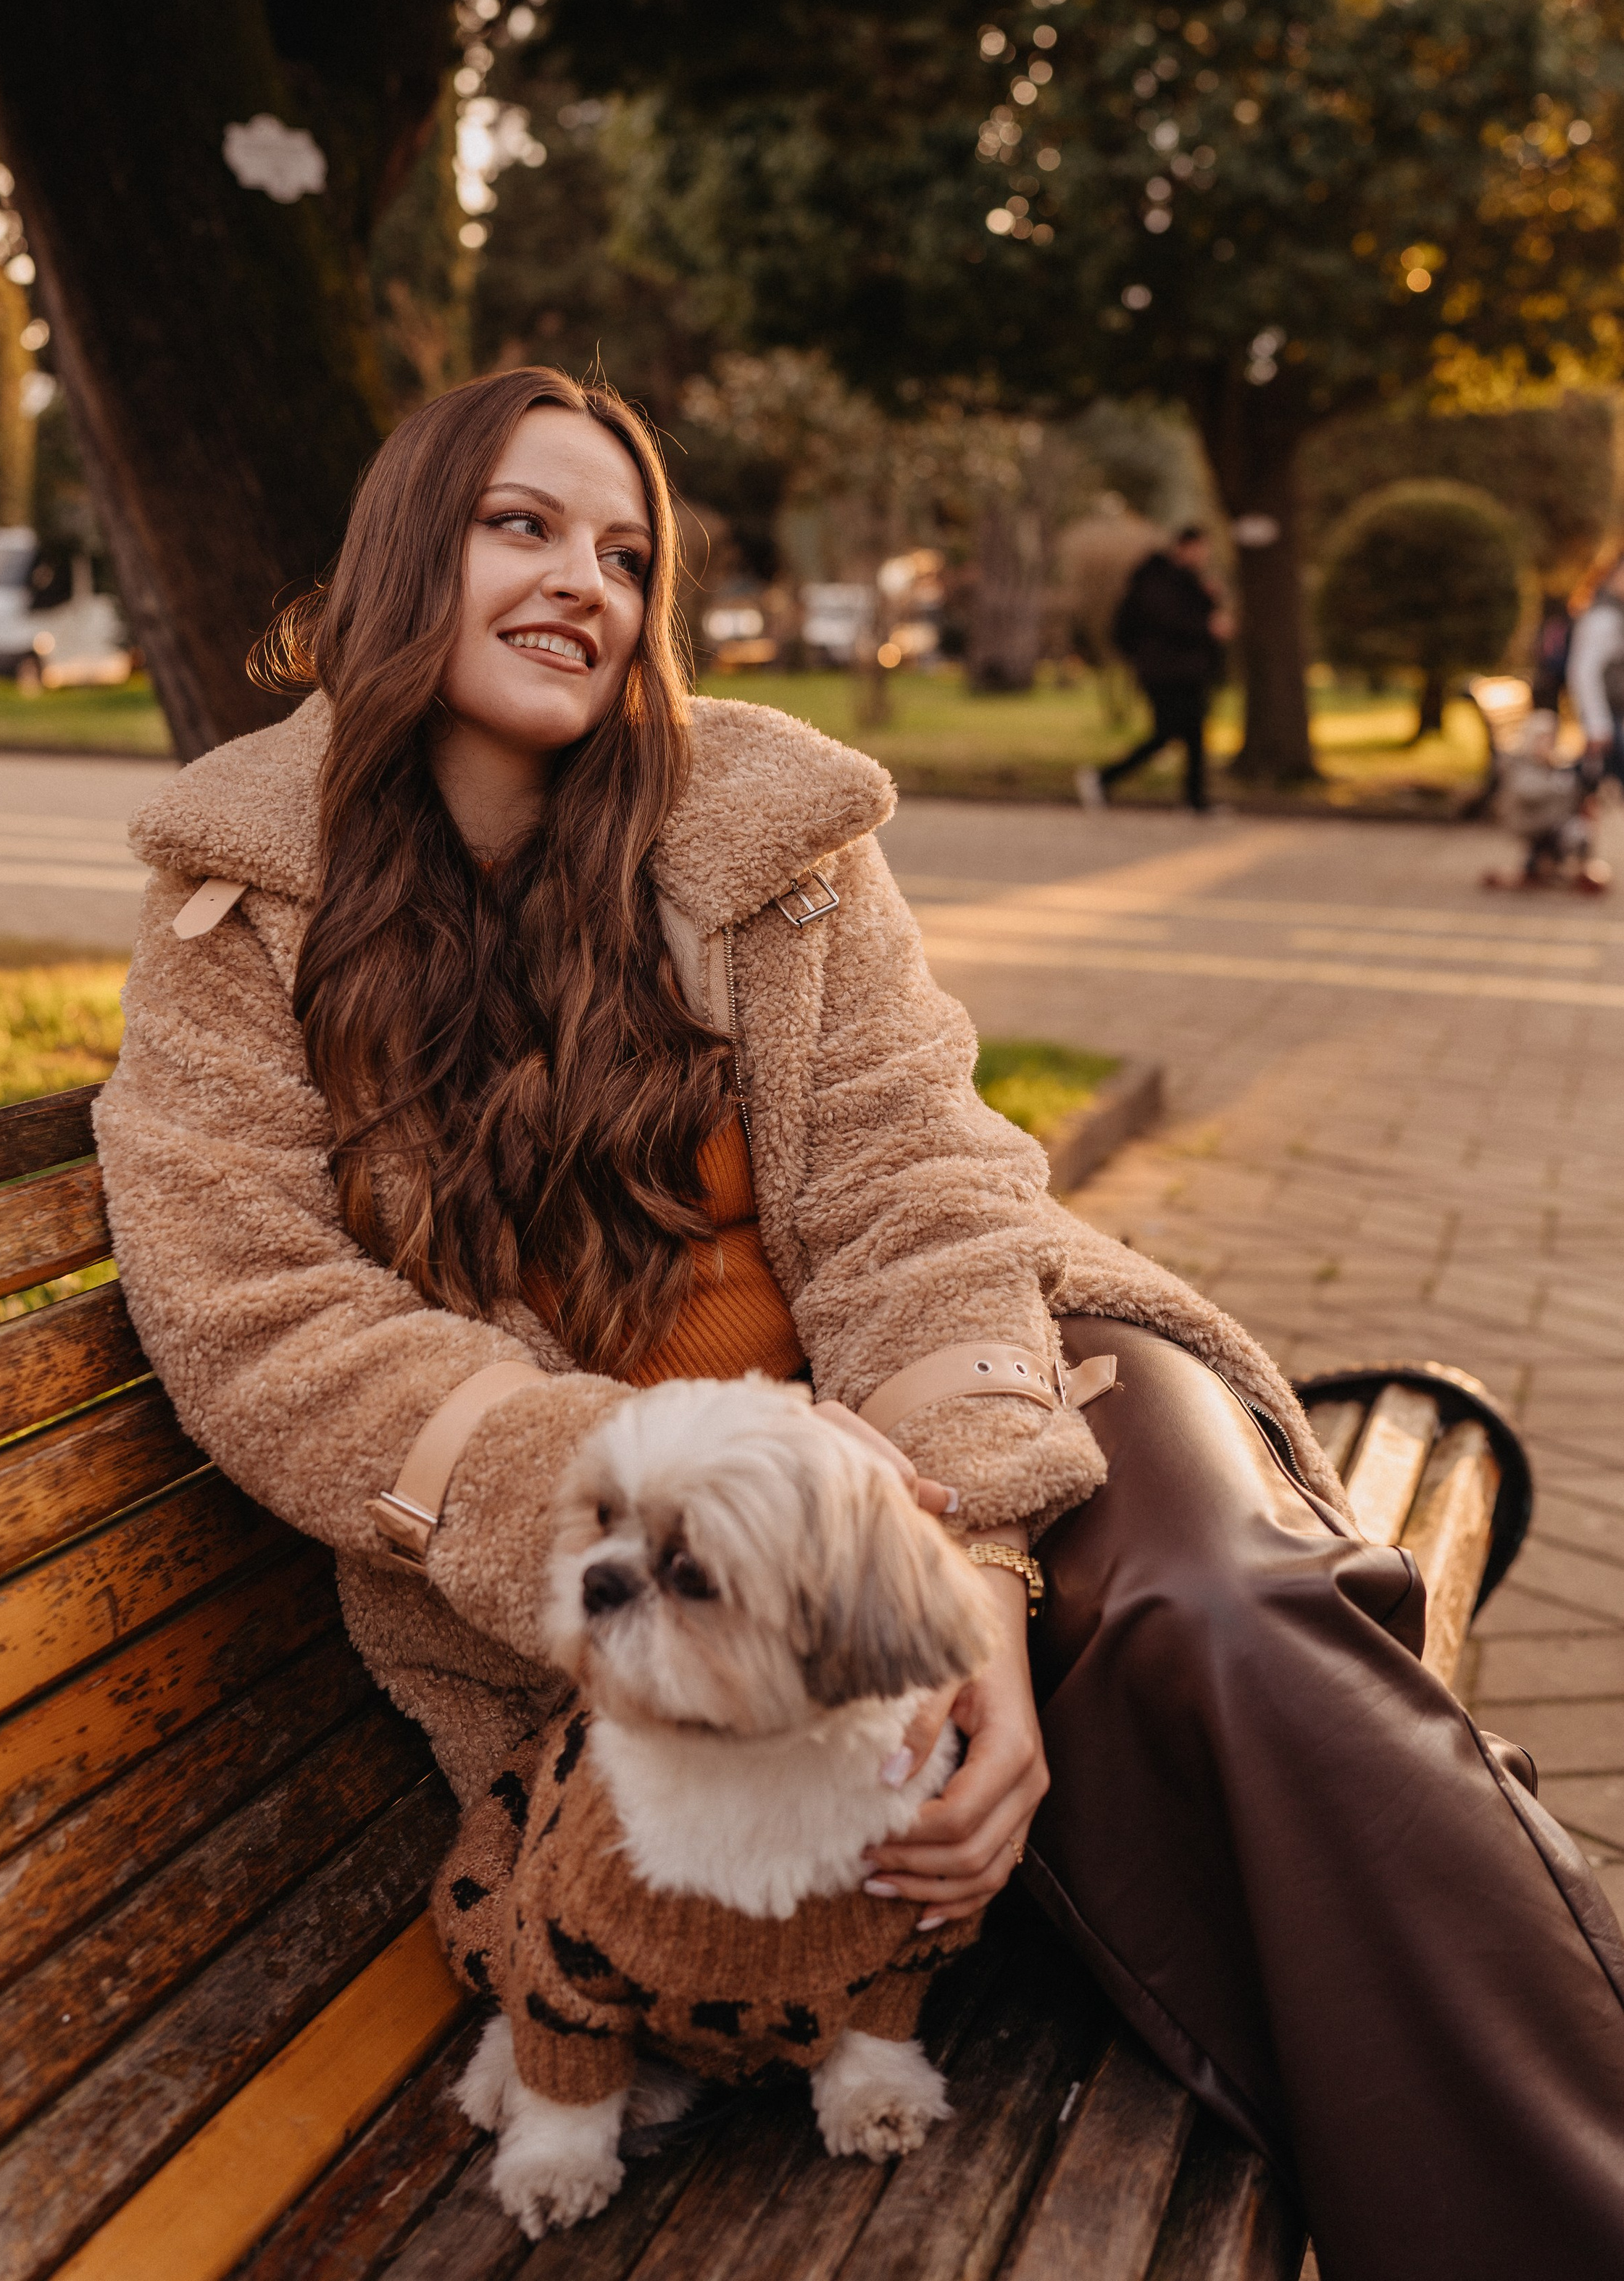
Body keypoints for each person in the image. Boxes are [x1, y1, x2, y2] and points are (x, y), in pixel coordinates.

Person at [96, 370, 1624, 2281]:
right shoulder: (242, 912)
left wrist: (969, 1573)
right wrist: (673, 1480)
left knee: (1229, 1621)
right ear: (406, 554)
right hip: (692, 1568)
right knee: (1193, 1791)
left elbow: (922, 1190)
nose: (584, 581)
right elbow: (257, 1321)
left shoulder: (767, 829)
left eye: (626, 554)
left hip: (996, 1397)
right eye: (523, 526)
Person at [1076, 525, 1231, 812]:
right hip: (1164, 671)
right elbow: (1170, 621)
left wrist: (1209, 599)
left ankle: (1195, 799)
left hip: (1185, 669)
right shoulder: (1158, 579)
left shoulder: (1187, 580)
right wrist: (1207, 625)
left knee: (1194, 733)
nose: (1203, 556)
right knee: (1167, 733)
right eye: (1199, 549)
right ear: (1184, 547)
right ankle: (1101, 777)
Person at [1482, 711, 1610, 893]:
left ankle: (1557, 866)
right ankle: (1542, 866)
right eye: (1542, 740)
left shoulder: (1556, 765)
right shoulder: (1520, 765)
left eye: (1550, 740)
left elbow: (1577, 790)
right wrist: (1560, 784)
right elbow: (1527, 793)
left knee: (1581, 827)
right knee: (1575, 832)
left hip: (1554, 824)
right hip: (1532, 823)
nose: (1547, 745)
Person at [1567, 556, 1624, 789]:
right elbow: (1585, 672)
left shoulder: (1617, 613)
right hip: (1613, 721)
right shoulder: (1604, 617)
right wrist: (1598, 725)